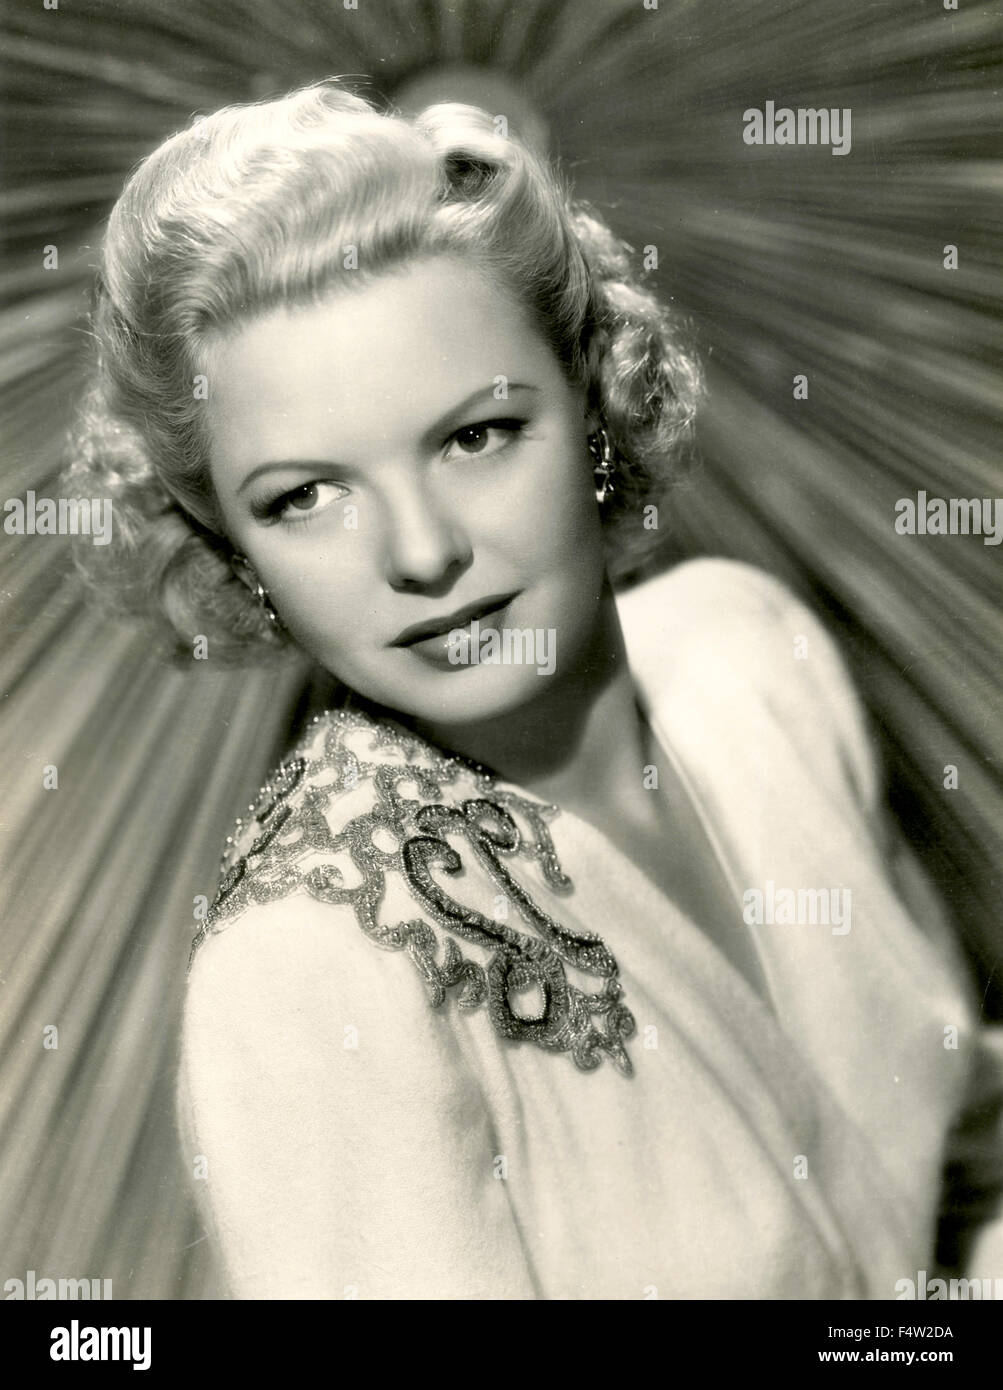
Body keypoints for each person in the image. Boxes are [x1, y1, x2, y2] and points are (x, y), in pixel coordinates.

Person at [66, 80, 1002, 1299]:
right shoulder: (306, 972)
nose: (418, 552)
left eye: (475, 435)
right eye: (304, 496)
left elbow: (966, 1152)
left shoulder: (751, 654)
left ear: (592, 393)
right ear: (229, 541)